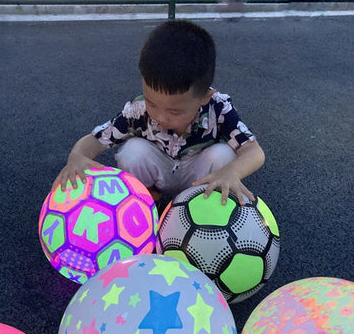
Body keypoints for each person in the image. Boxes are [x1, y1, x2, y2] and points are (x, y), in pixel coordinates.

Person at [52, 20, 265, 207]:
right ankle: (147, 203)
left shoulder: (218, 108)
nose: (160, 117)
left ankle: (202, 208)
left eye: (174, 111)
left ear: (204, 98)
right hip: (160, 173)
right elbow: (95, 140)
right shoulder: (138, 110)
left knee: (224, 156)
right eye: (152, 103)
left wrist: (231, 172)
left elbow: (254, 152)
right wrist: (77, 157)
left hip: (201, 178)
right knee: (133, 152)